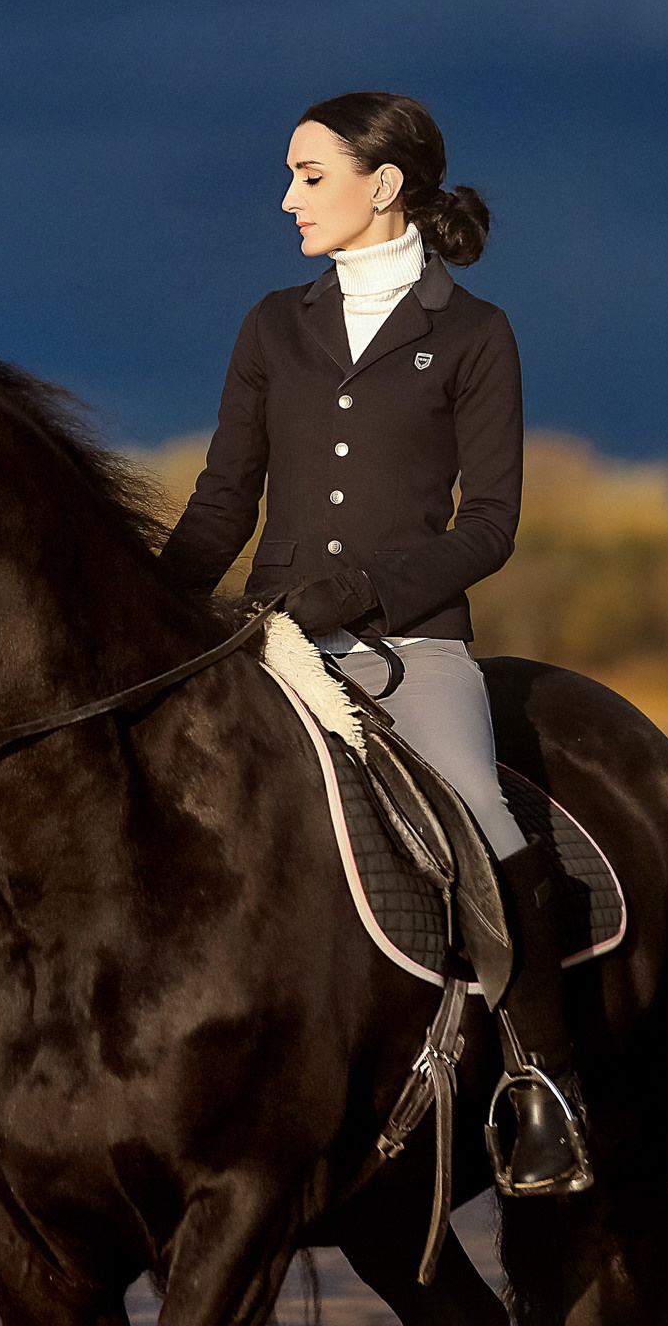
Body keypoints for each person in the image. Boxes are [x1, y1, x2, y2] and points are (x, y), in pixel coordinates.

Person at [158, 90, 590, 1196]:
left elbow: (490, 524)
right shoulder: (272, 324)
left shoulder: (476, 334)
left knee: (484, 816)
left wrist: (355, 589)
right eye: (293, 176)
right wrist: (151, 612)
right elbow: (221, 502)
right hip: (265, 643)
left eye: (310, 175)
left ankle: (541, 1085)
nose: (287, 196)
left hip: (410, 647)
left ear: (382, 184)